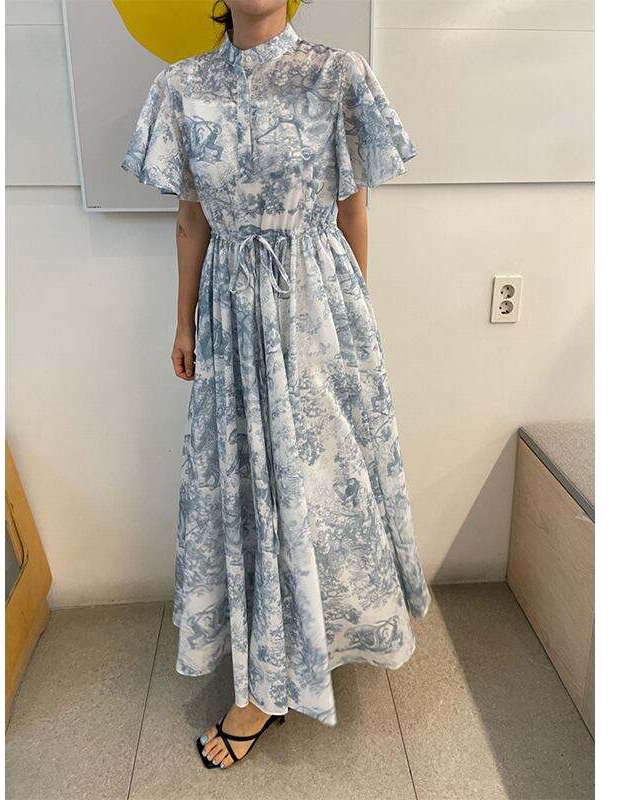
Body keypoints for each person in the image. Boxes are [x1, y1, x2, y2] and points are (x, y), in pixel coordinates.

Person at [121, 0, 431, 770]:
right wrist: (183, 323)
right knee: (245, 484)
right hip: (230, 312)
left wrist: (354, 323)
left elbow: (354, 211)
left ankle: (297, 657)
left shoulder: (337, 74)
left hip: (317, 310)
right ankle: (263, 671)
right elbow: (191, 222)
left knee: (320, 489)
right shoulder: (182, 87)